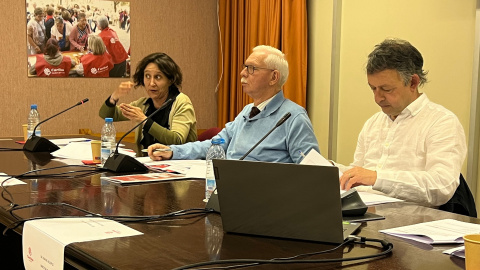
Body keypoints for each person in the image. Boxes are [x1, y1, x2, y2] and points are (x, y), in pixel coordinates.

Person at [337, 38, 467, 207]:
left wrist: (378, 178)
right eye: (373, 89)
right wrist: (336, 172)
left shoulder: (442, 122)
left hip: (414, 223)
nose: (377, 98)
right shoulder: (373, 123)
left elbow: (441, 186)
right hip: (368, 215)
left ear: (413, 82)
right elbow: (361, 174)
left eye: (386, 89)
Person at [148, 45, 319, 164]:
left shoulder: (293, 117)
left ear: (273, 77)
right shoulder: (247, 111)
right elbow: (216, 144)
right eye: (245, 67)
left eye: (252, 68)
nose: (242, 73)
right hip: (229, 189)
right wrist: (173, 151)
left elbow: (311, 170)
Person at [99, 52, 197, 148]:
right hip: (147, 161)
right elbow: (107, 115)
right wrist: (114, 97)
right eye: (147, 76)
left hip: (178, 163)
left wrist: (144, 120)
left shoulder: (182, 102)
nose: (151, 83)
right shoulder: (144, 104)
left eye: (158, 77)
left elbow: (177, 140)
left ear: (170, 80)